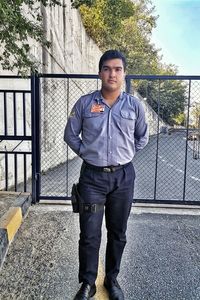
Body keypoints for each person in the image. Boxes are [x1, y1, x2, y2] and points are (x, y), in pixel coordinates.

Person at [64, 50, 148, 300]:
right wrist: (88, 154)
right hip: (92, 179)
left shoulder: (134, 106)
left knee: (118, 232)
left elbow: (142, 137)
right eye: (107, 68)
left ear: (124, 74)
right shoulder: (84, 103)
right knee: (89, 234)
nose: (112, 73)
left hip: (123, 178)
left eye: (118, 69)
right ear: (100, 72)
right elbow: (70, 135)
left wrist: (127, 153)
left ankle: (112, 280)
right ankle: (88, 283)